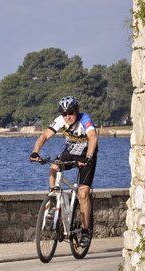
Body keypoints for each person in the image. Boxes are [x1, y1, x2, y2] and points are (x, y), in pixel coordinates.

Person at [29, 95, 98, 248]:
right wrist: (35, 152)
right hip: (71, 152)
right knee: (54, 166)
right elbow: (45, 135)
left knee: (83, 192)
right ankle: (53, 199)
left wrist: (88, 157)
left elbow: (93, 138)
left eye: (71, 113)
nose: (68, 116)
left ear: (76, 111)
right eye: (64, 114)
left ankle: (85, 231)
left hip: (87, 155)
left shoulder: (85, 119)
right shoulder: (61, 120)